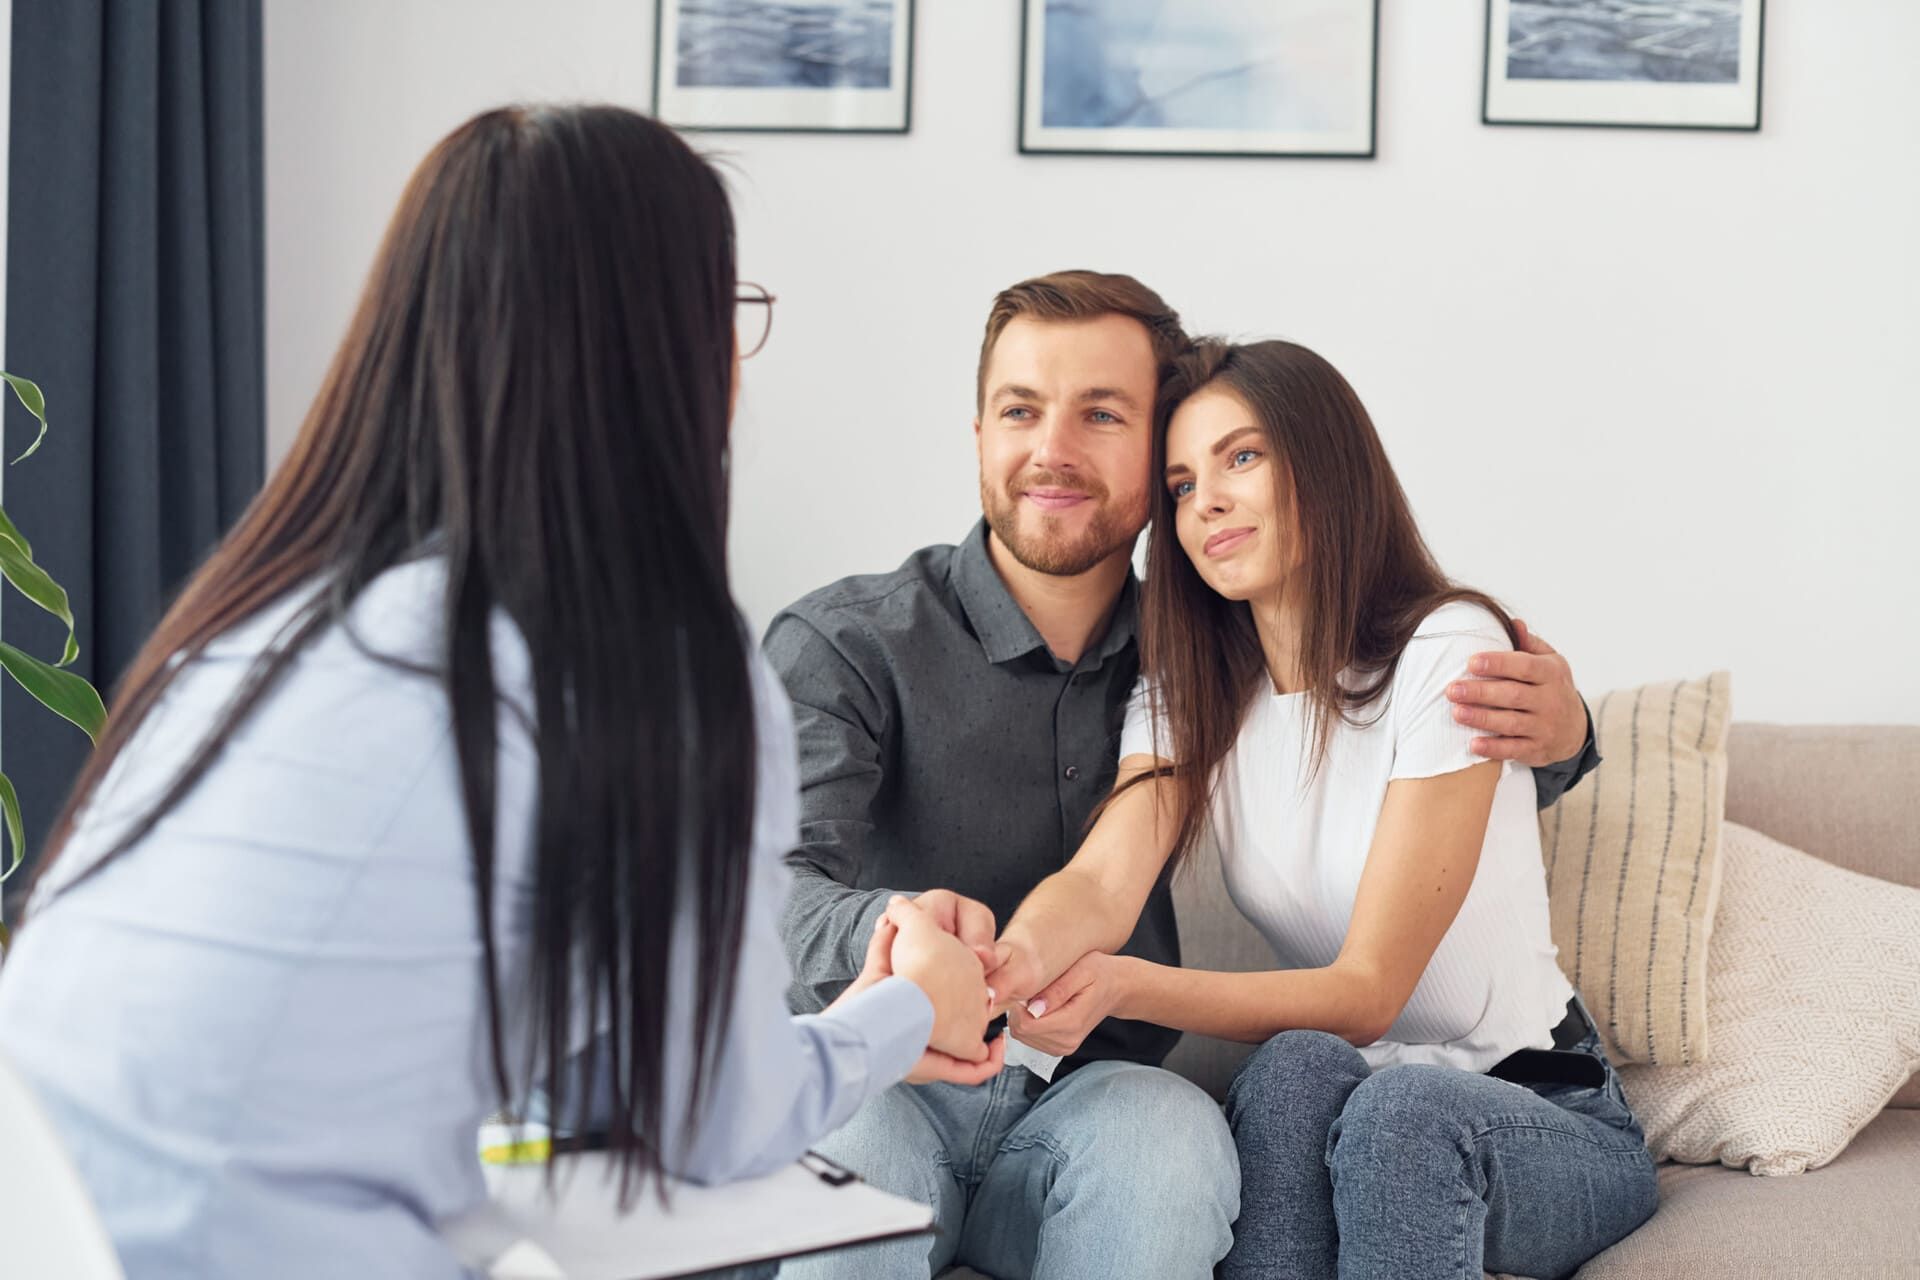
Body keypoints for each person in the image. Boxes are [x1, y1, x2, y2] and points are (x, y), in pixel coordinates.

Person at [0, 105, 995, 1280]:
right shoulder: (656, 666)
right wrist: (906, 1009)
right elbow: (712, 1122)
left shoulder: (266, 614)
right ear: (670, 351)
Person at [767, 274, 1601, 1279]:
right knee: (1290, 1074)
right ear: (979, 433)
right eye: (1021, 410)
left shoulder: (1310, 654)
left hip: (1208, 1094)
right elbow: (1098, 878)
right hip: (898, 1075)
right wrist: (989, 961)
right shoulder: (1166, 675)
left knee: (1265, 1129)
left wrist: (1569, 735)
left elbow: (1407, 850)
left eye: (1101, 414)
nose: (1053, 449)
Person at [986, 339, 1658, 1280]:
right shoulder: (1192, 694)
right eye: (1181, 485)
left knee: (1400, 1114)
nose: (1206, 501)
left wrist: (1124, 984)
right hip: (1360, 1100)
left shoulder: (1444, 652)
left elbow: (1370, 991)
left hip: (1543, 1112)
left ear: (1326, 465)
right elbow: (1103, 879)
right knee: (1292, 1069)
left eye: (1242, 457)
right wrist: (1013, 962)